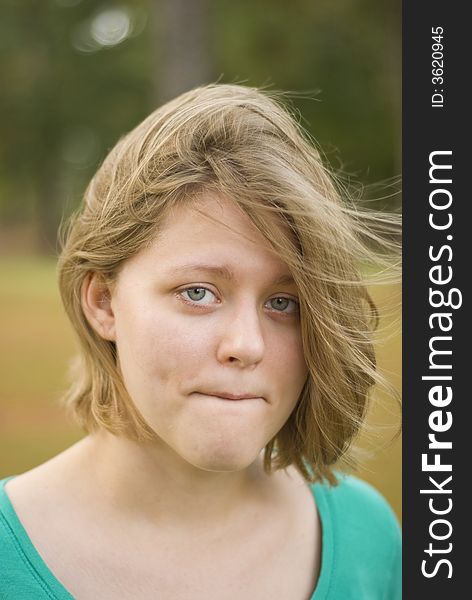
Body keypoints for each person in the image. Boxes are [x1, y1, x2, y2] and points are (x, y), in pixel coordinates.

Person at [0, 84, 401, 599]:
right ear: (103, 302)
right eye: (199, 292)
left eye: (284, 303)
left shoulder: (369, 538)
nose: (247, 345)